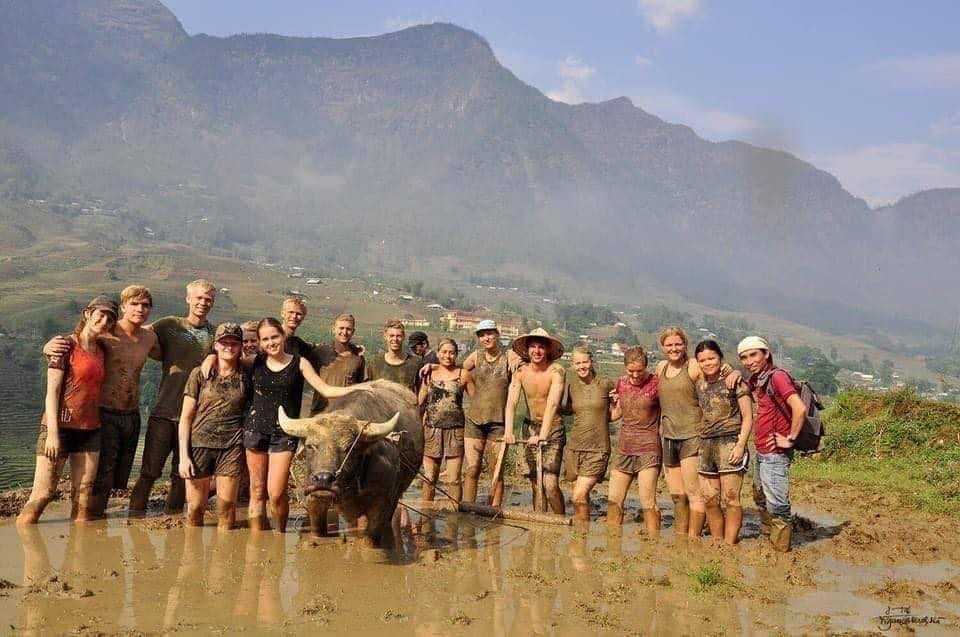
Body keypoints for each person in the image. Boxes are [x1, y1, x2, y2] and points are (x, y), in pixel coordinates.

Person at [240, 317, 370, 532]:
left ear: (282, 337)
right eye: (265, 339)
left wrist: (359, 389)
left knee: (276, 492)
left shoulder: (299, 362)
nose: (271, 342)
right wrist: (209, 360)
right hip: (255, 430)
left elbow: (325, 389)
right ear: (260, 342)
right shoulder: (254, 362)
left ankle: (279, 535)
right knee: (256, 491)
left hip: (285, 431)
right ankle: (258, 539)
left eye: (274, 337)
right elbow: (224, 359)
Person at [43, 285, 159, 517]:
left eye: (145, 305)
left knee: (117, 477)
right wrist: (48, 348)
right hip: (104, 412)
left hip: (132, 414)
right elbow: (77, 343)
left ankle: (98, 525)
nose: (140, 309)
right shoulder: (107, 330)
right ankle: (91, 521)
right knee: (99, 478)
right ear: (123, 307)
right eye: (134, 304)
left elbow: (174, 354)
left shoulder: (150, 337)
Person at [17, 296, 117, 524]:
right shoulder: (64, 346)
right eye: (100, 315)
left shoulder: (102, 349)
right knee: (43, 494)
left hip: (90, 429)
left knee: (83, 495)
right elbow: (51, 392)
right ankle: (25, 547)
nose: (104, 321)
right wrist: (52, 433)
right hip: (59, 427)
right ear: (87, 314)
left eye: (110, 319)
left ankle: (80, 554)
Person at [129, 279, 217, 516]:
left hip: (195, 417)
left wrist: (213, 357)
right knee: (149, 472)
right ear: (188, 298)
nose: (203, 303)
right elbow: (134, 331)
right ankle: (133, 518)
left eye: (208, 299)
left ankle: (173, 519)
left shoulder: (214, 334)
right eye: (198, 298)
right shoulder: (169, 325)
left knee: (182, 474)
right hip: (164, 413)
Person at [656, 326, 739, 538]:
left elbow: (716, 373)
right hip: (668, 436)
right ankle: (680, 535)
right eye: (669, 345)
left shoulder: (693, 366)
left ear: (685, 345)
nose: (674, 348)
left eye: (678, 344)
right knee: (677, 495)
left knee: (695, 494)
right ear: (662, 347)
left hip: (692, 435)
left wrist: (734, 370)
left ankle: (693, 539)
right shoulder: (661, 368)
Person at [177, 323, 249, 530]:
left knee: (227, 508)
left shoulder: (246, 374)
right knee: (195, 508)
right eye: (224, 342)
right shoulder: (199, 374)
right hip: (200, 444)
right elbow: (186, 417)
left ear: (241, 346)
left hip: (232, 446)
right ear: (215, 345)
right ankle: (192, 557)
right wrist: (184, 456)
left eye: (234, 343)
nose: (229, 347)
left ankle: (222, 557)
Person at [738, 336, 806, 552]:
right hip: (762, 451)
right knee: (760, 495)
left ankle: (781, 549)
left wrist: (790, 438)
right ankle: (770, 537)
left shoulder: (777, 377)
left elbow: (799, 408)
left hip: (776, 454)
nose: (749, 361)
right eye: (744, 357)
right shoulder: (758, 379)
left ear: (766, 353)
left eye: (753, 355)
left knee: (777, 503)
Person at [694, 340, 753, 544]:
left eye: (711, 358)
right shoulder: (699, 384)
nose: (707, 363)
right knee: (710, 499)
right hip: (706, 444)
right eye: (703, 360)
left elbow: (748, 416)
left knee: (731, 498)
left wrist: (740, 445)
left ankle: (730, 543)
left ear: (720, 357)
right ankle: (718, 542)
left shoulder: (734, 381)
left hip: (730, 442)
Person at [504, 328, 567, 514]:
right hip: (529, 426)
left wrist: (543, 435)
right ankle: (539, 522)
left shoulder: (556, 371)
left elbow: (553, 404)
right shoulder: (521, 372)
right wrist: (509, 431)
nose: (537, 351)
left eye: (541, 347)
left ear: (547, 350)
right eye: (533, 346)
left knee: (550, 483)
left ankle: (559, 519)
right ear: (527, 349)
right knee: (535, 482)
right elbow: (511, 402)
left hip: (553, 429)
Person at [461, 320, 522, 506]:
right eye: (482, 335)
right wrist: (473, 393)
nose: (486, 338)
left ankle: (494, 509)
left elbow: (520, 367)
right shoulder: (476, 356)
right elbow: (463, 370)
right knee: (472, 469)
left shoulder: (508, 356)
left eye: (489, 333)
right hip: (474, 420)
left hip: (499, 422)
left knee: (497, 471)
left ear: (497, 334)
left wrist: (517, 362)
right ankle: (468, 507)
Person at [606, 347, 662, 536]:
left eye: (640, 370)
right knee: (614, 500)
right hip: (624, 447)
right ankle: (612, 544)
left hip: (648, 447)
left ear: (646, 366)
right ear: (625, 368)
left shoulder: (656, 384)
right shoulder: (621, 384)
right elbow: (617, 413)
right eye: (631, 371)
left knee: (647, 502)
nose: (636, 375)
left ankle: (653, 542)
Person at [562, 347, 617, 525]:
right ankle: (580, 537)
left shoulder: (606, 384)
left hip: (597, 449)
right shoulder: (571, 388)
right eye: (578, 363)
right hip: (574, 448)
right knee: (579, 496)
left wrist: (616, 407)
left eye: (585, 362)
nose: (582, 366)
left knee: (578, 496)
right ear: (572, 365)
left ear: (592, 361)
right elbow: (567, 410)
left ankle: (581, 537)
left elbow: (618, 410)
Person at [419, 339, 475, 506]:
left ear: (456, 354)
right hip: (431, 430)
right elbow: (421, 399)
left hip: (455, 430)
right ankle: (426, 515)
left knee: (454, 480)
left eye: (451, 352)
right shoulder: (430, 374)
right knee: (429, 478)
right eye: (444, 352)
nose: (447, 356)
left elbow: (476, 399)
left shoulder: (463, 374)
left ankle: (453, 519)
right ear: (437, 353)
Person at [309, 313, 366, 414]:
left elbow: (360, 389)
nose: (344, 332)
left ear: (353, 332)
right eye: (341, 328)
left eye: (348, 329)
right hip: (319, 414)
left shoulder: (358, 359)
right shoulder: (320, 352)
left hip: (345, 415)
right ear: (333, 329)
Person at [366, 319, 423, 393]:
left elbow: (422, 391)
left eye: (398, 336)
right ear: (385, 336)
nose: (395, 339)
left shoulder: (416, 363)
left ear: (403, 337)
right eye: (392, 336)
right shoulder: (375, 363)